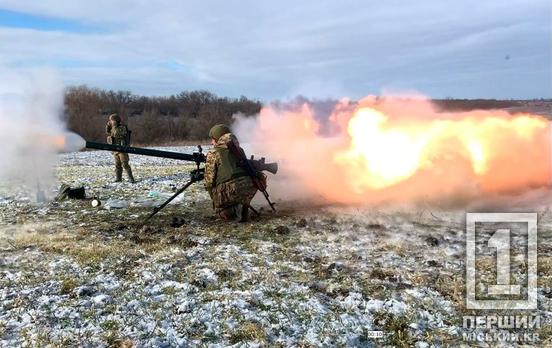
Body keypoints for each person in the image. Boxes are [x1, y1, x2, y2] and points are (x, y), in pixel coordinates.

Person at [204, 124, 261, 222]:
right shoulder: (239, 150)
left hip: (231, 190)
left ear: (218, 138)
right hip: (249, 188)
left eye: (213, 139)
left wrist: (215, 201)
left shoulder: (214, 153)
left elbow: (209, 181)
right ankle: (243, 209)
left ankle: (227, 212)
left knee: (222, 211)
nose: (211, 142)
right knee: (236, 190)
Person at [105, 113, 135, 183]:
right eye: (110, 120)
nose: (111, 122)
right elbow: (107, 132)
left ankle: (131, 178)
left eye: (112, 120)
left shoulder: (121, 127)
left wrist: (113, 126)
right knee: (117, 165)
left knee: (125, 164)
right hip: (115, 149)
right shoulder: (112, 128)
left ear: (116, 121)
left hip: (122, 149)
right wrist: (108, 126)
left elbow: (118, 134)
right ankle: (118, 178)